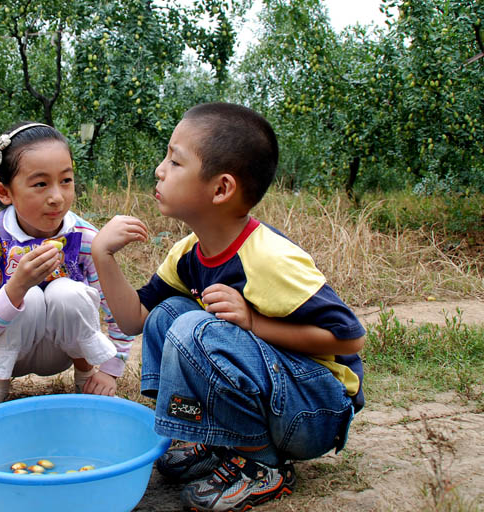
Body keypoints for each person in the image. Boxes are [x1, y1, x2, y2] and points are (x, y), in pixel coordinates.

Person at [91, 103, 366, 511]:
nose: (160, 169)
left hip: (316, 410)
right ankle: (209, 435)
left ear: (220, 189)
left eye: (175, 160)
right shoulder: (189, 254)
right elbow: (136, 321)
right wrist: (102, 255)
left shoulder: (270, 258)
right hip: (281, 396)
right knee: (169, 316)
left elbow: (350, 340)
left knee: (193, 330)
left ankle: (262, 467)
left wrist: (254, 322)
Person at [0, 122, 134, 421]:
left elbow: (115, 309)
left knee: (66, 291)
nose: (57, 197)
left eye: (66, 180)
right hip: (11, 356)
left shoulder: (87, 238)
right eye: (40, 184)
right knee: (31, 298)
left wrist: (110, 369)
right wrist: (16, 287)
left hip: (65, 352)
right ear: (4, 192)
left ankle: (85, 377)